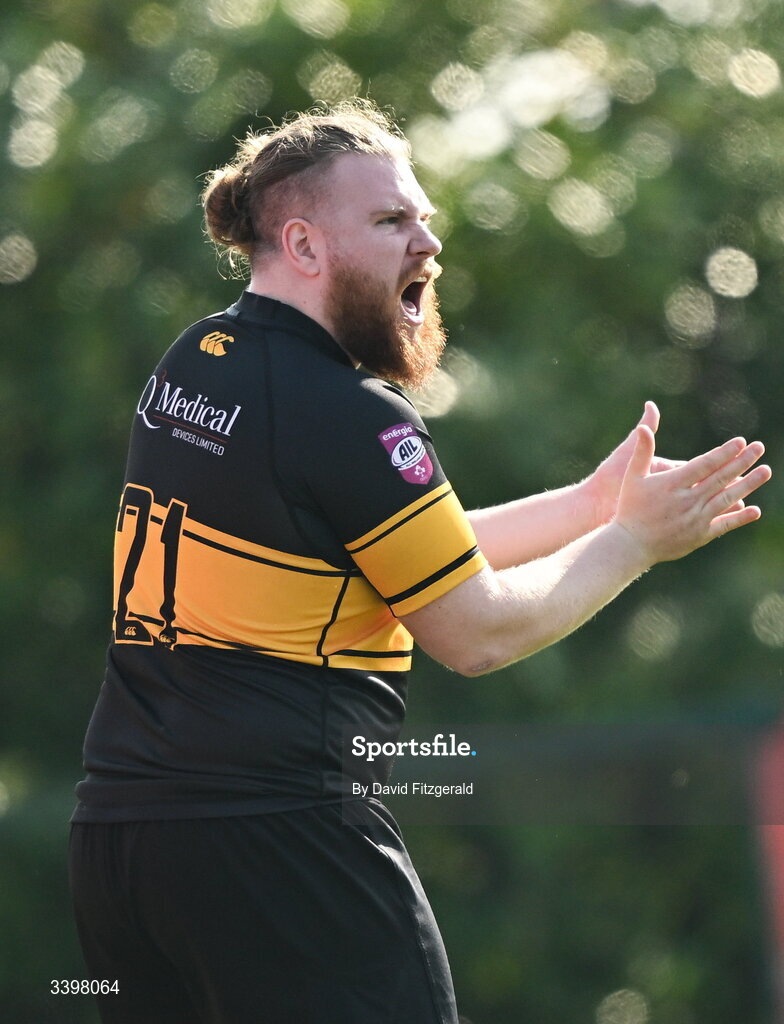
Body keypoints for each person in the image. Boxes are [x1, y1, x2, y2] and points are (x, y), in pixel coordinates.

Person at [69, 99, 771, 1024]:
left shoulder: (195, 362)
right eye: (393, 221)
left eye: (425, 218)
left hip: (123, 846)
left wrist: (592, 505)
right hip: (281, 845)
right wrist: (633, 542)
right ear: (306, 245)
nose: (429, 244)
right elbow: (475, 631)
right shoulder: (348, 413)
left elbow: (389, 556)